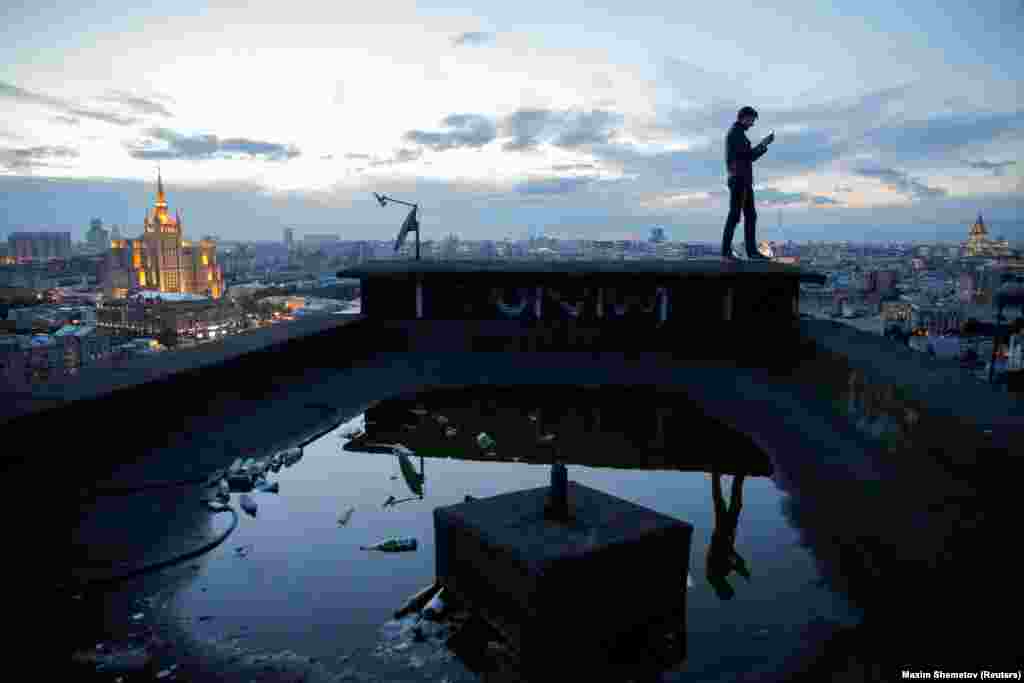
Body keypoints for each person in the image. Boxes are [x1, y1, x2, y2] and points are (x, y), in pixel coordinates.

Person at [722, 106, 774, 262]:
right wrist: (764, 144)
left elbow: (747, 157)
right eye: (751, 120)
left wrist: (762, 146)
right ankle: (727, 252)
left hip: (742, 180)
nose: (752, 124)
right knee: (735, 216)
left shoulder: (738, 134)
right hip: (739, 180)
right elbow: (748, 156)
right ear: (743, 117)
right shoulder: (735, 134)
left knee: (749, 215)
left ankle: (750, 252)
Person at [706, 470, 751, 600]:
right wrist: (741, 569)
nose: (728, 585)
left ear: (722, 589)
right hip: (727, 533)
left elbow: (726, 555)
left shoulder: (713, 576)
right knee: (730, 504)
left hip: (722, 533)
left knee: (723, 503)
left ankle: (720, 475)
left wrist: (740, 569)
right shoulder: (720, 575)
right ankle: (737, 475)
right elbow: (731, 558)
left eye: (727, 588)